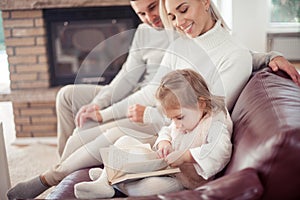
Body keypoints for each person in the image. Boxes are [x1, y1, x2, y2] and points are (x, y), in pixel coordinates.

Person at [7, 0, 300, 199]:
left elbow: (202, 109)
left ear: (205, 1)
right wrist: (107, 113)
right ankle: (68, 179)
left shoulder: (233, 57)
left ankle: (48, 180)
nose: (179, 21)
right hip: (167, 126)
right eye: (172, 15)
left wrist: (148, 119)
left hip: (183, 134)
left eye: (184, 9)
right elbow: (154, 89)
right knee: (83, 137)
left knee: (105, 139)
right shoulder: (184, 41)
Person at [74, 69, 233, 198]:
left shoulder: (216, 123)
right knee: (124, 141)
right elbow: (168, 129)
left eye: (179, 118)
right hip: (163, 166)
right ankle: (106, 180)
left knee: (149, 188)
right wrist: (165, 142)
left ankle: (112, 180)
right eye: (172, 118)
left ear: (201, 103)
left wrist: (186, 156)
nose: (176, 124)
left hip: (183, 180)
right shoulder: (186, 116)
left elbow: (220, 151)